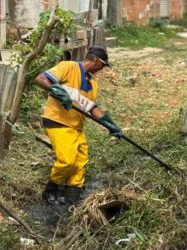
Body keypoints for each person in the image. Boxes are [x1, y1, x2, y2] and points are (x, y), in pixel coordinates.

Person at [34, 46, 122, 206]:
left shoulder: (93, 83)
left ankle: (71, 195)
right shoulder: (68, 67)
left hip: (76, 126)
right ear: (96, 60)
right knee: (67, 161)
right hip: (58, 121)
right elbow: (40, 79)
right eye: (102, 65)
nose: (102, 69)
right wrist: (56, 90)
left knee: (80, 161)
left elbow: (91, 107)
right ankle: (50, 190)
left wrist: (110, 124)